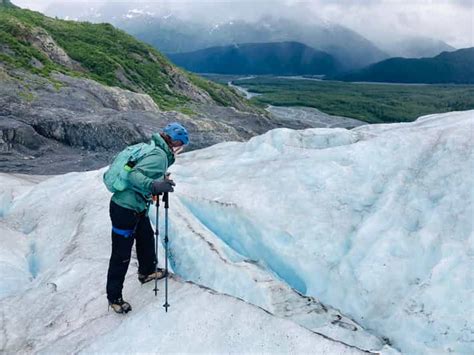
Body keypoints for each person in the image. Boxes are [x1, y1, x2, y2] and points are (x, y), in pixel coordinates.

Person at [106, 122, 189, 314]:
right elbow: (135, 176)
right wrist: (154, 186)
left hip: (134, 207)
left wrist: (160, 181)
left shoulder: (151, 148)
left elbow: (141, 171)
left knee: (145, 236)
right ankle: (114, 298)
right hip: (126, 209)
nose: (180, 149)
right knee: (121, 255)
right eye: (181, 145)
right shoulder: (160, 156)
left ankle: (147, 271)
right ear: (176, 143)